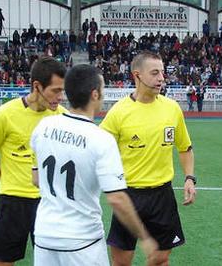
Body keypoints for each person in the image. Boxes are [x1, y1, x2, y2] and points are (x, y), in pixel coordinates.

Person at [30, 64, 157, 265]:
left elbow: (36, 179)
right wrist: (145, 237)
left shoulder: (43, 127)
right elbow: (117, 199)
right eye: (103, 90)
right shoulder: (101, 140)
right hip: (82, 241)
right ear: (95, 94)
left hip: (45, 236)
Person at [100, 51, 196, 266]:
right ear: (137, 75)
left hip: (162, 195)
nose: (161, 78)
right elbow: (100, 151)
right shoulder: (118, 112)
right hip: (129, 195)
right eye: (155, 73)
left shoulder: (172, 109)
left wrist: (189, 177)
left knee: (161, 259)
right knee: (122, 262)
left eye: (162, 72)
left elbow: (185, 148)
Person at [0, 57, 68, 266]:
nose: (60, 97)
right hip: (13, 201)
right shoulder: (4, 115)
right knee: (1, 262)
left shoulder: (62, 118)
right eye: (55, 90)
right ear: (37, 86)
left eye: (63, 91)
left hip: (50, 203)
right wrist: (4, 179)